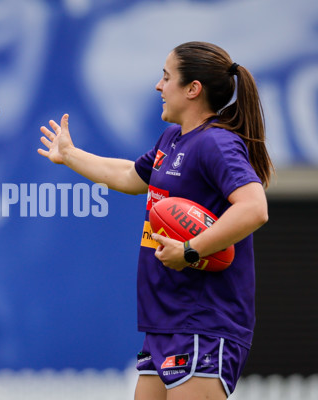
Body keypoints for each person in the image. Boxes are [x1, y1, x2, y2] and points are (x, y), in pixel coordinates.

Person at [38, 41, 272, 399]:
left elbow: (254, 208)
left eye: (166, 77)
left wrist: (190, 250)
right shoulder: (174, 139)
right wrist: (70, 155)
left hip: (204, 325)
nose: (158, 86)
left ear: (193, 89)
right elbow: (132, 176)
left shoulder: (216, 143)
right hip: (164, 323)